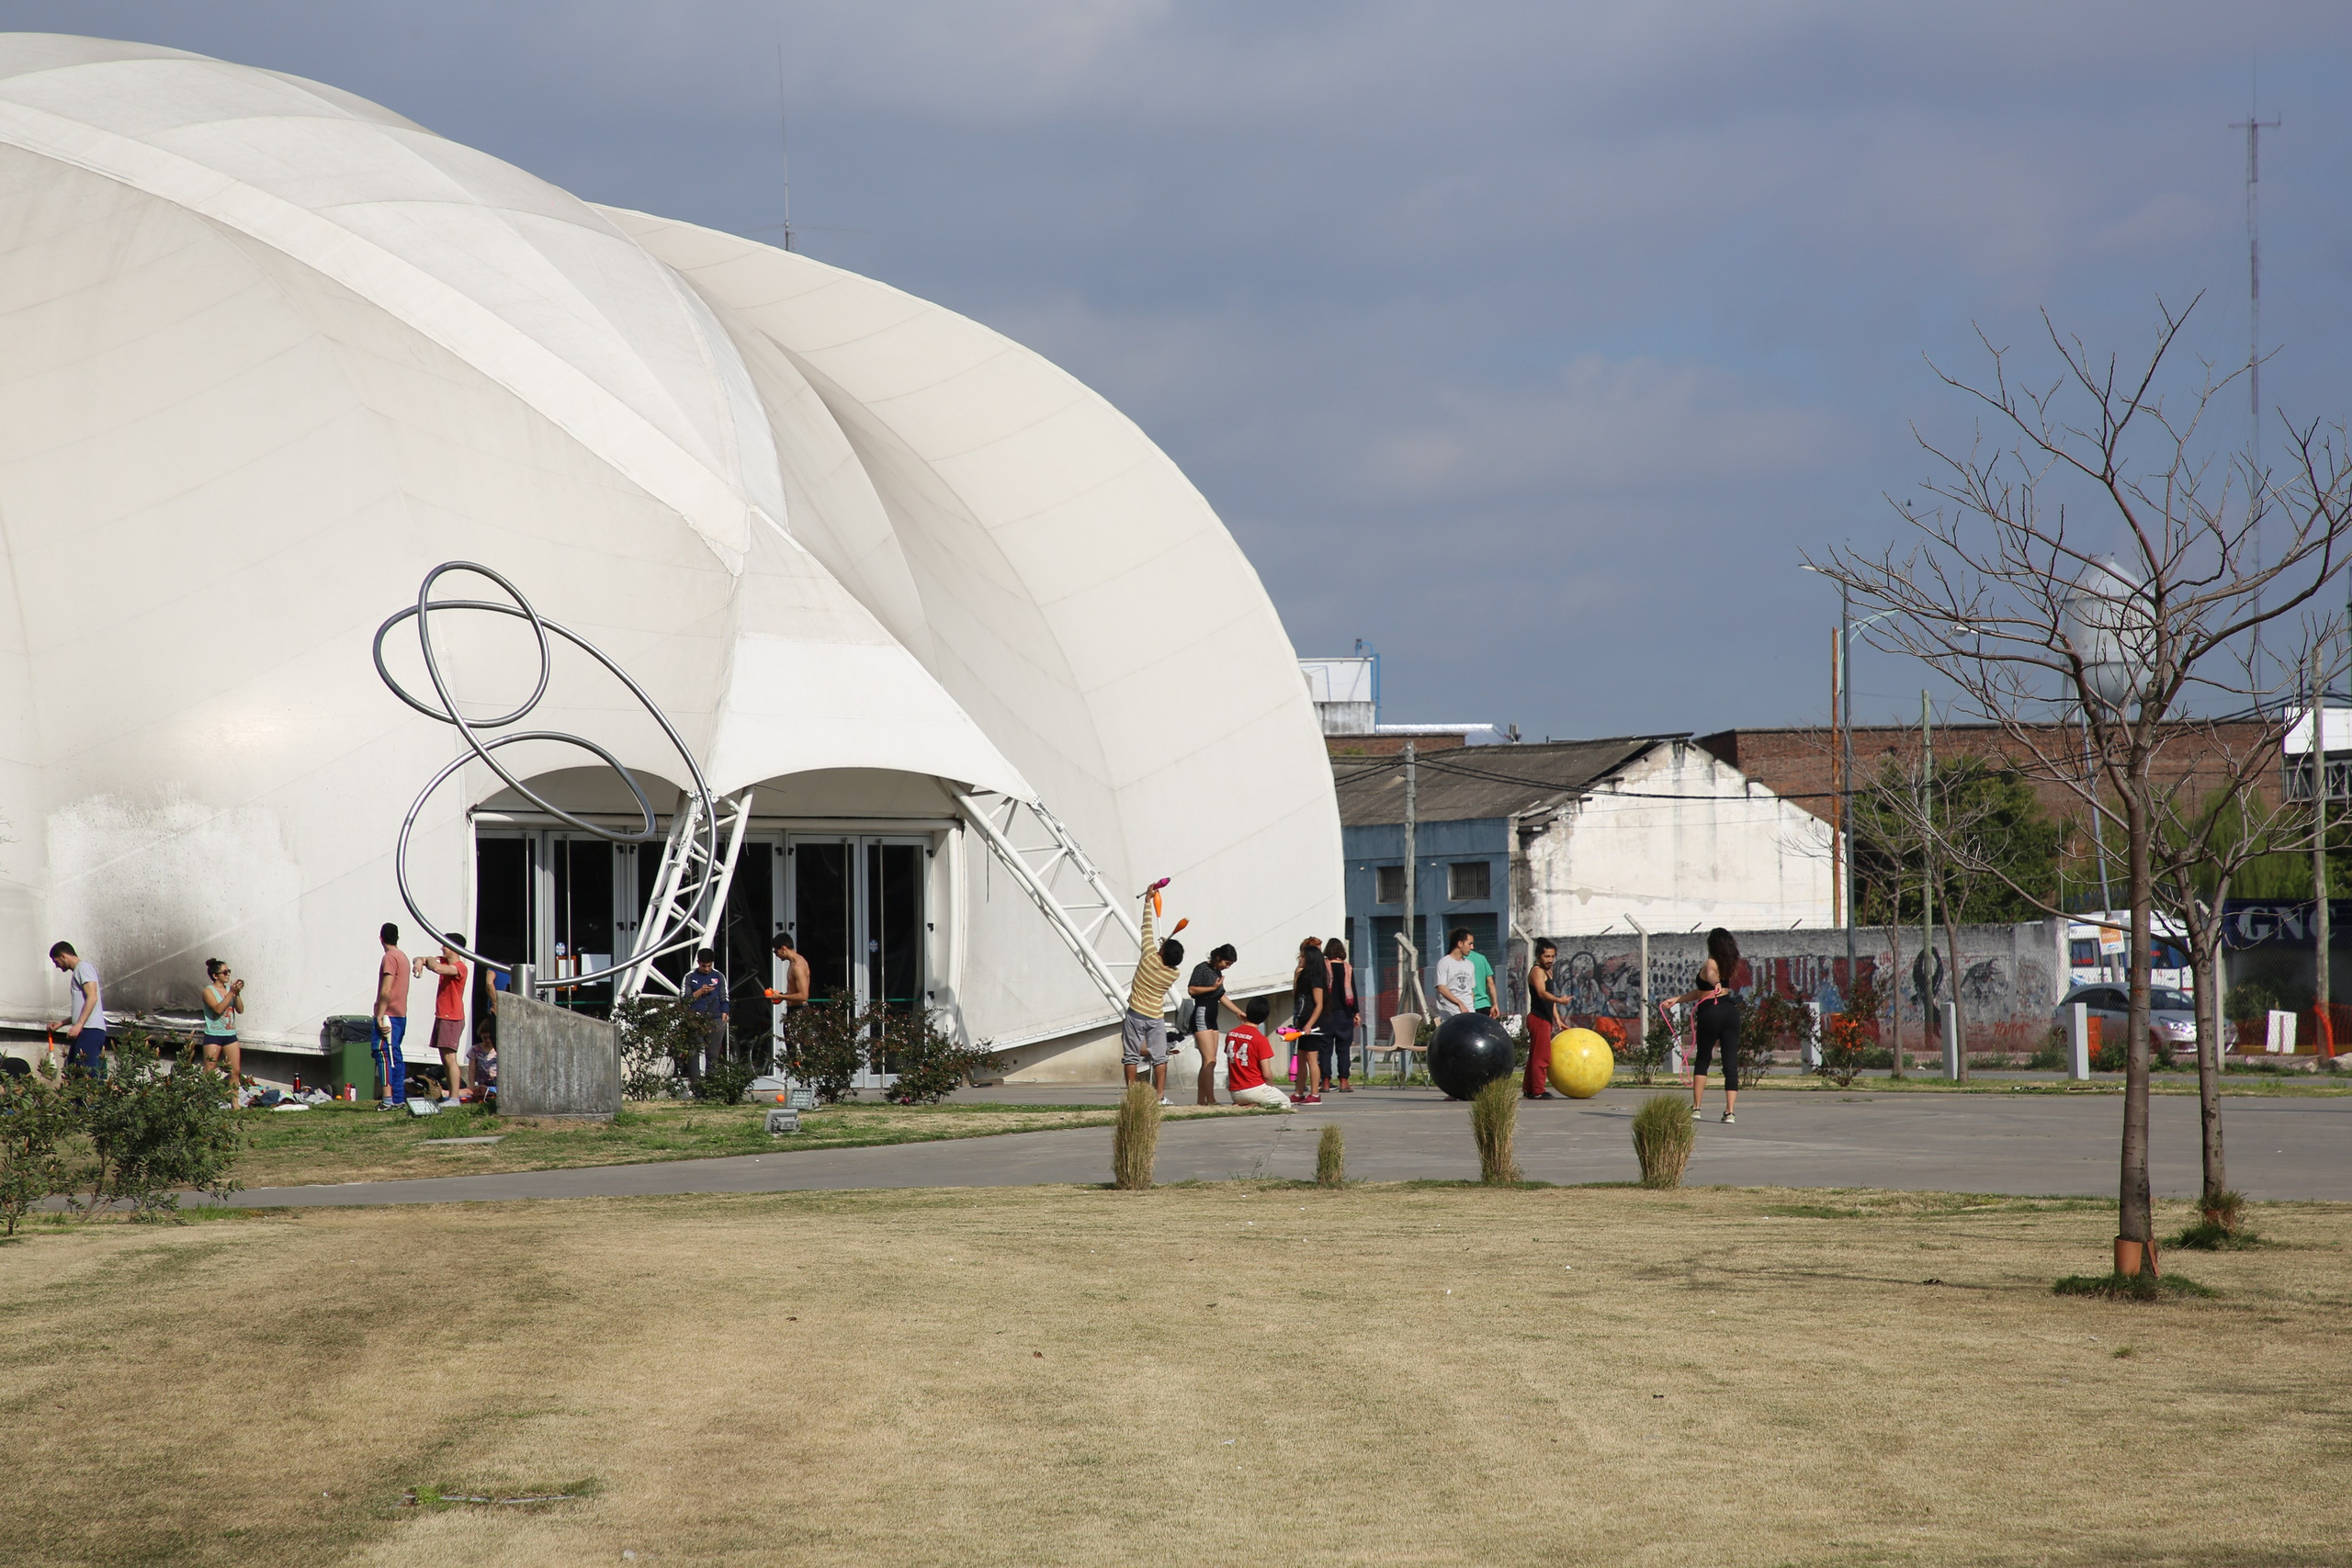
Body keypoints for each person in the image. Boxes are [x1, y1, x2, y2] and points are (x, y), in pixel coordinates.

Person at [1659, 930, 1744, 1123]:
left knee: (1703, 1058)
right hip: (1730, 1013)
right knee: (1730, 1063)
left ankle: (1696, 1108)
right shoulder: (1728, 965)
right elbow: (1700, 992)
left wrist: (1715, 983)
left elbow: (1712, 975)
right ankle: (1730, 1112)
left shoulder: (1711, 963)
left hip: (1711, 1013)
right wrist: (1677, 1000)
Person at [1123, 893, 1189, 1104]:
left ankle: (1132, 1097)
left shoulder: (1148, 957)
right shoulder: (1173, 973)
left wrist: (1147, 902)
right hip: (1155, 1018)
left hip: (1135, 1014)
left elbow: (1146, 929)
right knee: (1160, 1057)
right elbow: (1169, 960)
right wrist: (1165, 947)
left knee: (1131, 1056)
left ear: (1161, 951)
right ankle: (1159, 1096)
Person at [1187, 943, 1244, 1106]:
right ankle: (1210, 1100)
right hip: (1202, 1014)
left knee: (1209, 1061)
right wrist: (1212, 987)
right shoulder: (1202, 968)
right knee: (1209, 1060)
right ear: (1218, 958)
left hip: (1212, 1017)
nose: (1227, 967)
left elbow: (1221, 995)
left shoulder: (1217, 971)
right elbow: (1192, 990)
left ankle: (1201, 1101)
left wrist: (1238, 1012)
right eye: (1227, 963)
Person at [416, 933, 469, 1105]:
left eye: (445, 945)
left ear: (454, 948)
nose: (442, 948)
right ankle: (451, 1097)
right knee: (444, 1058)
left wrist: (429, 960)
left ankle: (454, 1098)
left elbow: (437, 968)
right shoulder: (443, 961)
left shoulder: (460, 967)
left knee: (450, 1059)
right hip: (442, 1015)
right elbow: (422, 959)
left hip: (452, 1017)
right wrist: (419, 962)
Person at [1222, 997, 1292, 1110]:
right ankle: (1255, 1105)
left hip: (1235, 1092)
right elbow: (1267, 1074)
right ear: (1265, 1017)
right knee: (1285, 1103)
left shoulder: (1231, 1034)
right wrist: (1271, 1087)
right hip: (1253, 1088)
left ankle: (1245, 1104)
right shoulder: (1260, 1039)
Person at [48, 941, 106, 1075]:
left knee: (86, 1076)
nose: (57, 966)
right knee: (74, 1073)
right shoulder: (79, 971)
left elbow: (92, 997)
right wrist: (61, 1024)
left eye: (56, 961)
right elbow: (83, 1007)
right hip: (85, 1030)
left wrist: (79, 1024)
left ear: (63, 956)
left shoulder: (83, 968)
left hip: (89, 1030)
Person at [373, 923, 412, 1108]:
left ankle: (388, 1099)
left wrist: (380, 1015)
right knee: (394, 1054)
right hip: (400, 1014)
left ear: (381, 938)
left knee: (384, 1054)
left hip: (388, 1015)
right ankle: (397, 1098)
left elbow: (386, 989)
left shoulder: (389, 957)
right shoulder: (402, 957)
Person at [200, 958, 246, 1104]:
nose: (228, 975)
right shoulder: (208, 991)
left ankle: (235, 1105)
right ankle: (204, 1103)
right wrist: (231, 993)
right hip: (213, 1036)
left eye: (229, 971)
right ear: (215, 975)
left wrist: (237, 994)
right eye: (225, 972)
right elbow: (218, 1009)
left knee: (235, 1071)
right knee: (209, 1071)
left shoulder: (229, 991)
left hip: (230, 1035)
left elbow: (240, 1010)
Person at [1524, 939, 1566, 1099]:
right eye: (1546, 956)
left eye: (1552, 956)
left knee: (1535, 1055)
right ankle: (1538, 1090)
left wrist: (1558, 1019)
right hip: (1538, 1018)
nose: (1550, 960)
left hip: (1545, 1019)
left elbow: (1550, 1000)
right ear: (1538, 956)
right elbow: (1542, 993)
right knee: (1541, 1056)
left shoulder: (1548, 972)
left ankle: (1529, 1089)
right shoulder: (1537, 971)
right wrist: (1560, 1000)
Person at [1289, 936, 1328, 1103]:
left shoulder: (1317, 978)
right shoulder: (1303, 975)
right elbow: (1296, 997)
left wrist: (1309, 1025)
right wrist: (1296, 975)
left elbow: (1319, 1005)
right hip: (1302, 1020)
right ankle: (1299, 1092)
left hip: (1313, 1024)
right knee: (1301, 1057)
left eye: (1303, 957)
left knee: (1312, 1058)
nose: (1300, 959)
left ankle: (1315, 1094)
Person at [1321, 936, 1358, 1092]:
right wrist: (1356, 1012)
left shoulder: (1323, 967)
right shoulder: (1347, 968)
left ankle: (1325, 1082)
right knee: (1343, 1050)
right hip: (1344, 1014)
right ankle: (1344, 1081)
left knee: (1325, 1050)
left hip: (1326, 1014)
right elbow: (1353, 991)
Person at [685, 947, 729, 1080]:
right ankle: (696, 1086)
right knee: (693, 1053)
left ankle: (711, 1086)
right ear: (698, 963)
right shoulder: (690, 977)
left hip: (715, 1019)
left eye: (709, 966)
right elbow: (684, 1000)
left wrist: (725, 1011)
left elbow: (724, 996)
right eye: (704, 966)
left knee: (713, 1055)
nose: (707, 969)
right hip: (695, 1019)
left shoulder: (719, 976)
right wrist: (699, 992)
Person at [1432, 927, 1477, 1019]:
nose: (1472, 947)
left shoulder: (1470, 965)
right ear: (1460, 944)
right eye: (1470, 944)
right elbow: (1441, 988)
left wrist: (1470, 1007)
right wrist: (1459, 1004)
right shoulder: (1444, 963)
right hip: (1451, 1015)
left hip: (1469, 1013)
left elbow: (1470, 990)